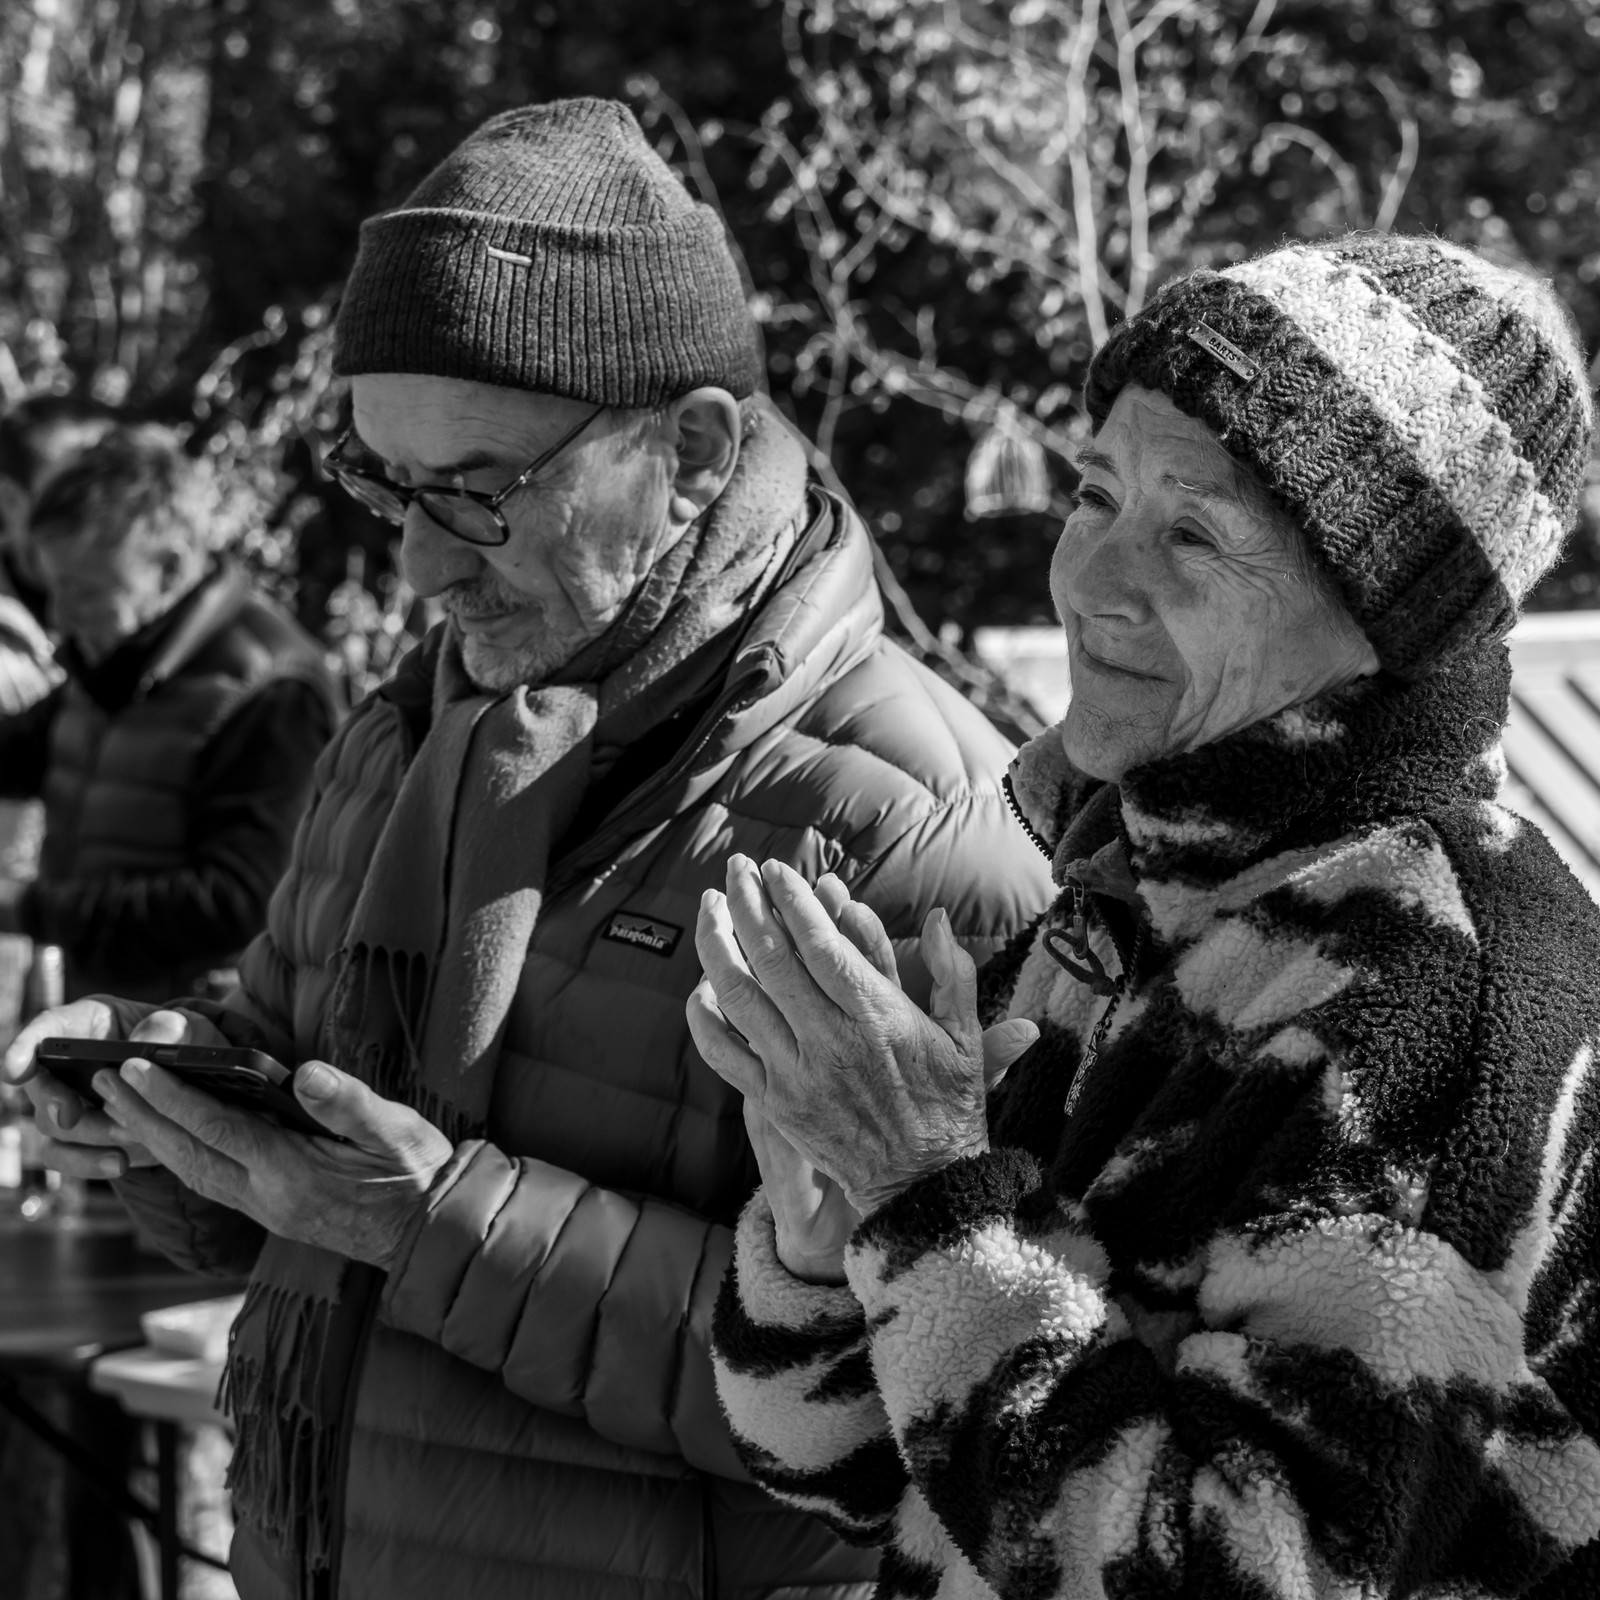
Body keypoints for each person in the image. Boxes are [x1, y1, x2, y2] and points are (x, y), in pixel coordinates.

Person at [5, 99, 1053, 1600]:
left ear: (690, 449)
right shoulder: (413, 732)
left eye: (479, 491)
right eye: (381, 483)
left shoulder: (906, 825)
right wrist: (172, 1099)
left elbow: (914, 1407)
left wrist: (423, 1223)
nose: (417, 564)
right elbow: (295, 1096)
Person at [694, 233, 1600, 1599]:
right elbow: (869, 1472)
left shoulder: (1437, 986)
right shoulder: (1132, 900)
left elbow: (1235, 1577)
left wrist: (925, 1197)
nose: (1093, 581)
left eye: (1193, 532)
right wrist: (835, 1239)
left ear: (1385, 615)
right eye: (1094, 493)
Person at [0, 422, 342, 999]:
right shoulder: (116, 661)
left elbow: (240, 899)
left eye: (83, 590)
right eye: (52, 588)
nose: (57, 616)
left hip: (204, 1036)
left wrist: (30, 909)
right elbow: (21, 751)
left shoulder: (269, 690)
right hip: (106, 1012)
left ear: (168, 566)